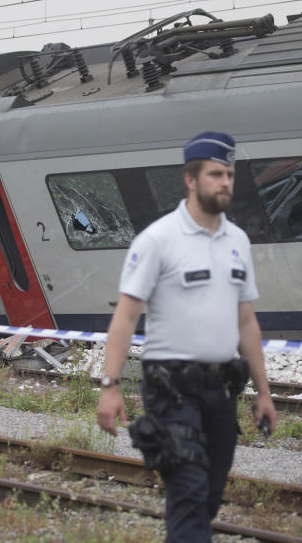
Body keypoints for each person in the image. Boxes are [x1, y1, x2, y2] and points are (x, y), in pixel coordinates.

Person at [96, 131, 277, 543]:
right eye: (216, 174)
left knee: (210, 495)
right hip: (171, 389)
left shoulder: (238, 241)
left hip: (221, 391)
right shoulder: (159, 240)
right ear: (191, 180)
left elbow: (246, 321)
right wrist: (110, 385)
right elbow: (125, 317)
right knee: (190, 494)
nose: (225, 183)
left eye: (229, 175)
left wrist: (264, 391)